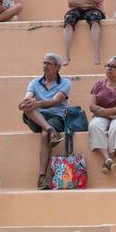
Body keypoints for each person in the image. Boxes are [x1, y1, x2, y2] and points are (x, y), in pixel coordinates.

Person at [20, 53, 72, 190]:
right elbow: (27, 99)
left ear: (58, 67)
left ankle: (41, 178)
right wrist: (24, 104)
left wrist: (35, 103)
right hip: (36, 116)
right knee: (28, 109)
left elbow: (56, 101)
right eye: (44, 63)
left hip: (56, 116)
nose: (45, 66)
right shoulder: (35, 82)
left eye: (48, 64)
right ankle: (51, 130)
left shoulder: (65, 82)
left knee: (44, 135)